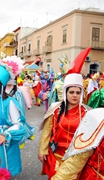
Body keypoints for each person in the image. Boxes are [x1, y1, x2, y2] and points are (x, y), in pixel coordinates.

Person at [38, 47, 92, 179]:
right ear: (65, 92)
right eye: (71, 92)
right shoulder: (55, 109)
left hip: (76, 162)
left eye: (78, 92)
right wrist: (42, 150)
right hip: (55, 157)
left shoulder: (87, 113)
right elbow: (46, 131)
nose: (75, 95)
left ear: (82, 93)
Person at [0, 58, 35, 180]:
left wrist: (5, 135)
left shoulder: (9, 102)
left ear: (2, 83)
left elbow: (19, 123)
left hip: (4, 142)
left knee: (1, 173)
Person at [51, 108, 104, 180]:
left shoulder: (86, 110)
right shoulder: (98, 117)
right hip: (92, 175)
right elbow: (76, 160)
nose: (75, 96)